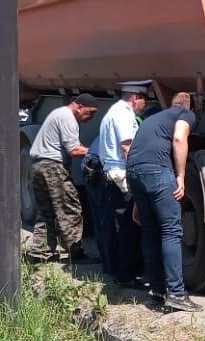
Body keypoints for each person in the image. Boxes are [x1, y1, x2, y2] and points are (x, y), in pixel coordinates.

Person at [127, 92, 201, 312]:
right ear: (190, 107)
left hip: (133, 171)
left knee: (150, 231)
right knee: (171, 230)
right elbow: (179, 138)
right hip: (156, 171)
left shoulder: (153, 119)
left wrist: (138, 201)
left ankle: (158, 292)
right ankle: (177, 294)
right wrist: (180, 176)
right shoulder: (185, 114)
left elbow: (134, 152)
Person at [26, 93, 99, 262]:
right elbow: (74, 150)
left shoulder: (59, 113)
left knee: (46, 212)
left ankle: (39, 253)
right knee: (69, 209)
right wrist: (99, 151)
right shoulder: (67, 118)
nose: (92, 117)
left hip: (39, 166)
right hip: (53, 168)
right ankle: (75, 252)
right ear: (79, 106)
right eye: (90, 112)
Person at [92, 80, 149, 286]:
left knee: (118, 225)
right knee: (127, 227)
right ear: (135, 98)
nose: (146, 103)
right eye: (145, 98)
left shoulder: (113, 112)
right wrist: (138, 174)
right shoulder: (124, 115)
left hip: (112, 175)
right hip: (122, 176)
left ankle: (117, 270)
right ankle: (125, 275)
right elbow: (127, 148)